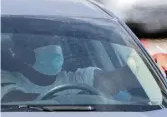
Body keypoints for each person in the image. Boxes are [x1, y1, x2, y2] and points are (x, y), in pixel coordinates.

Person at [1, 36, 132, 102]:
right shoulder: (5, 78)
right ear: (20, 51)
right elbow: (14, 99)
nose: (53, 48)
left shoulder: (77, 78)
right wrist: (90, 99)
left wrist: (138, 67)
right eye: (42, 43)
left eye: (55, 42)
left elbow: (119, 78)